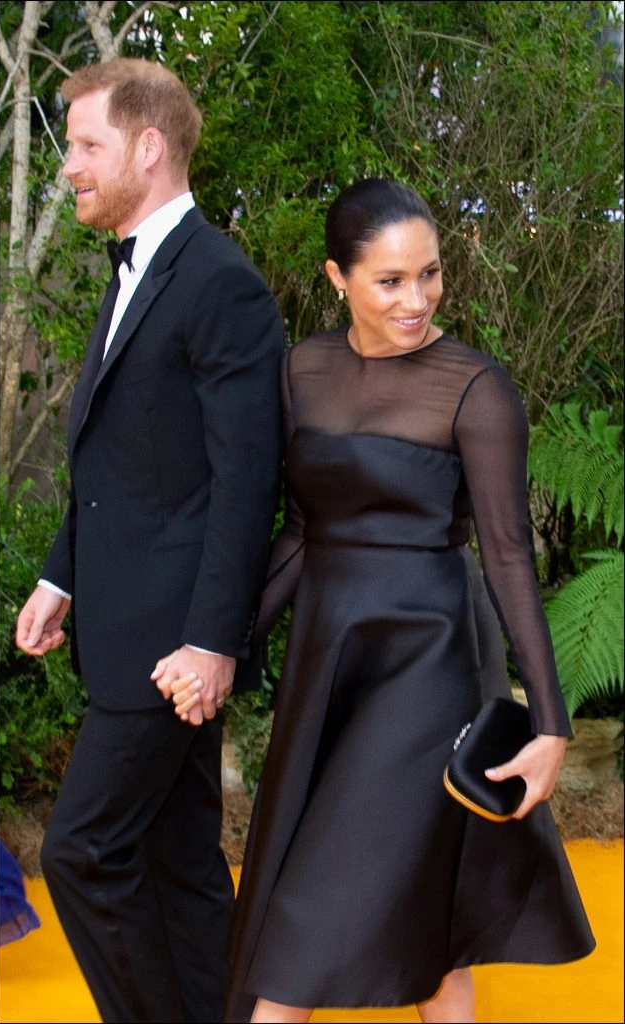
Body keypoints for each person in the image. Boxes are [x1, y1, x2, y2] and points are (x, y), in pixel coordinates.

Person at [169, 178, 595, 1024]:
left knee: (306, 908)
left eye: (429, 275)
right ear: (337, 278)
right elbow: (296, 535)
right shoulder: (301, 374)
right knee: (428, 932)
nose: (416, 299)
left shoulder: (475, 388)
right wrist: (216, 643)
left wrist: (550, 724)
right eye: (390, 280)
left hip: (429, 664)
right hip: (331, 659)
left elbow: (509, 555)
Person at [15, 57, 283, 1024]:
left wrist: (212, 642)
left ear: (148, 145)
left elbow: (249, 483)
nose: (70, 168)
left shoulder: (222, 284)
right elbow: (122, 466)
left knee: (82, 852)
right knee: (179, 865)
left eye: (86, 145)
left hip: (175, 648)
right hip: (133, 633)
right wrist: (61, 576)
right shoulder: (137, 271)